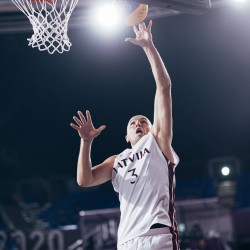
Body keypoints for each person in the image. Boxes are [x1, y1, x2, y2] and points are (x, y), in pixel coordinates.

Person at [70, 21, 180, 250]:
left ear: (151, 128)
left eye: (144, 122)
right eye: (132, 123)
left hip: (156, 234)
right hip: (127, 241)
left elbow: (164, 87)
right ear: (127, 136)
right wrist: (86, 142)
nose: (138, 124)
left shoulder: (158, 141)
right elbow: (84, 179)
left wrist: (149, 47)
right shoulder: (116, 160)